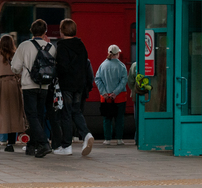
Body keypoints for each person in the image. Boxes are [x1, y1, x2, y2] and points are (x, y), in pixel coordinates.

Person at [11, 19, 57, 158]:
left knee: (31, 116)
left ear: (31, 31)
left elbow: (15, 67)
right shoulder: (51, 47)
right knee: (39, 116)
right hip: (44, 86)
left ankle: (43, 143)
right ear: (45, 32)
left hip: (28, 86)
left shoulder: (24, 46)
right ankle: (32, 146)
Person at [54, 19, 94, 156]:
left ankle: (67, 146)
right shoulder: (81, 45)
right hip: (79, 85)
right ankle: (87, 134)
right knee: (76, 111)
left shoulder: (62, 46)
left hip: (67, 85)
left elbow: (62, 67)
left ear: (62, 30)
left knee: (66, 114)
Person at [95, 45, 128, 146]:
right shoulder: (122, 66)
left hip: (105, 98)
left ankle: (107, 139)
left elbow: (97, 79)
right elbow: (124, 81)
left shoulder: (102, 65)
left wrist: (104, 92)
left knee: (107, 118)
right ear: (117, 54)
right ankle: (119, 139)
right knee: (119, 119)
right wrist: (116, 92)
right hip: (119, 97)